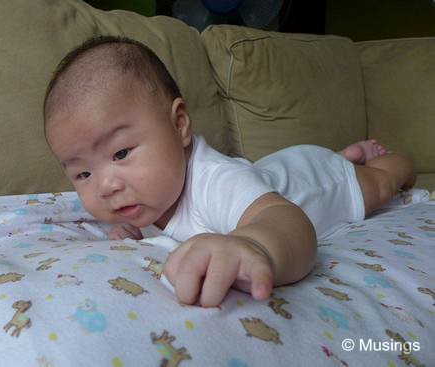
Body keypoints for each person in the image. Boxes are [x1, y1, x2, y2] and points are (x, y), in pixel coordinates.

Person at [42, 36, 415, 308]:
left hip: (322, 180)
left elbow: (287, 221)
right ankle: (351, 153)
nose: (105, 185)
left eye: (121, 152)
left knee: (379, 185)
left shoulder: (215, 180)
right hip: (276, 169)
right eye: (82, 174)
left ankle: (391, 162)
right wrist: (137, 231)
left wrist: (252, 245)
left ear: (180, 125)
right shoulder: (150, 196)